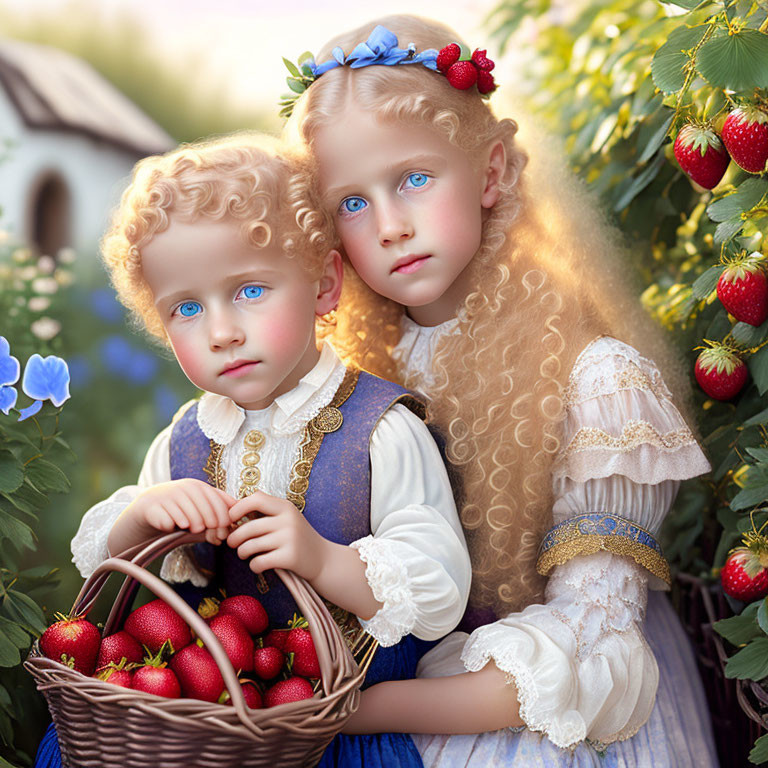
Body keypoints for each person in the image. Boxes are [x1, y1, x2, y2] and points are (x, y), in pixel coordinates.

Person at [282, 16, 720, 767]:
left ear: (490, 173)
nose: (389, 225)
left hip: (536, 706)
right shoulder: (345, 374)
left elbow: (594, 652)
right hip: (374, 682)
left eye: (414, 179)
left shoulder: (597, 383)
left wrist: (358, 709)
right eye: (351, 203)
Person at [34, 133, 470, 768]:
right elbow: (116, 561)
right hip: (211, 714)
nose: (221, 332)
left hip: (329, 719)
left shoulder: (379, 429)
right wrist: (143, 515)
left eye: (249, 291)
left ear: (323, 286)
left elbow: (437, 590)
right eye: (186, 307)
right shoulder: (188, 435)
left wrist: (322, 559)